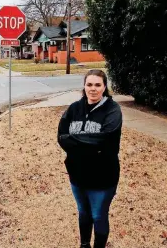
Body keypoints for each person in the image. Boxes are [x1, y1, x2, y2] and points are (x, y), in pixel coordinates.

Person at [57, 69, 123, 248]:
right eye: (89, 84)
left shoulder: (113, 110)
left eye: (97, 85)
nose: (93, 89)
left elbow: (106, 139)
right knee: (83, 213)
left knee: (98, 215)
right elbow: (61, 136)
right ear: (84, 86)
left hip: (102, 177)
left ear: (104, 87)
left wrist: (75, 141)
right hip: (77, 175)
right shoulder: (74, 108)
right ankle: (84, 245)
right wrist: (90, 145)